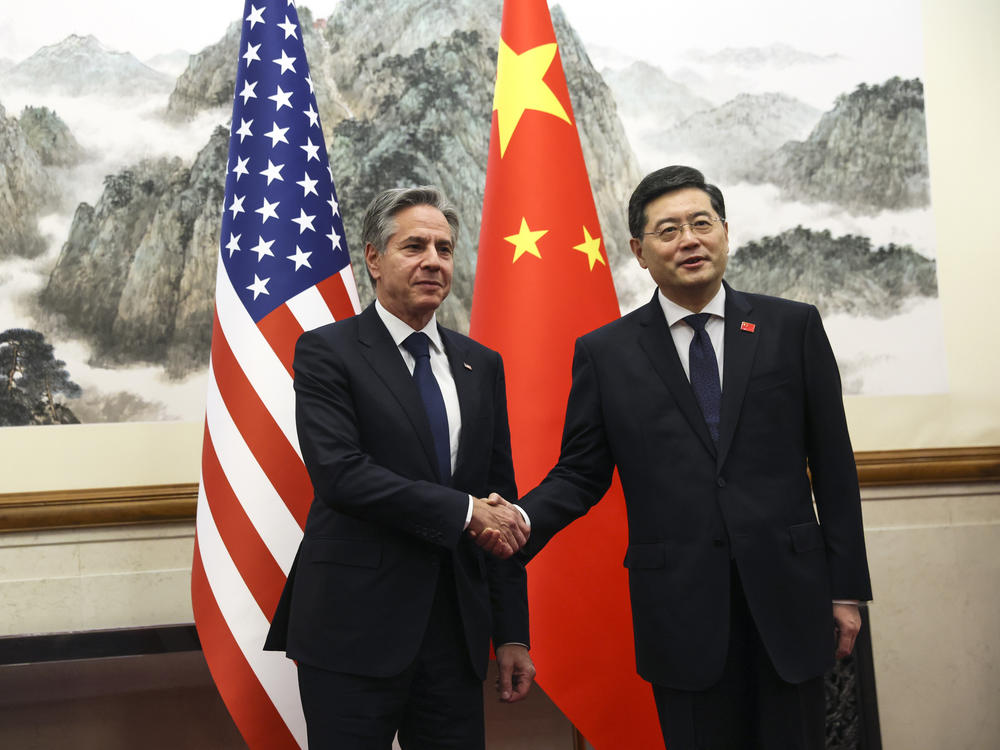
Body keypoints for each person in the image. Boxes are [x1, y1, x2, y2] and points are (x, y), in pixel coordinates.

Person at [518, 166, 872, 749]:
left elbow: (834, 469)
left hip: (791, 598)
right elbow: (581, 473)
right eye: (668, 230)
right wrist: (521, 523)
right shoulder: (607, 354)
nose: (689, 240)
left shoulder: (792, 327)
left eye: (701, 223)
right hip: (680, 610)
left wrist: (846, 589)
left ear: (725, 232)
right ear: (639, 251)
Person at [265, 186, 534, 749]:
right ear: (373, 258)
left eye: (444, 248)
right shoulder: (328, 351)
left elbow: (499, 503)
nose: (433, 260)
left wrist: (512, 633)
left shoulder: (480, 365)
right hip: (353, 628)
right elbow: (341, 474)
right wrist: (464, 513)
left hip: (455, 634)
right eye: (414, 246)